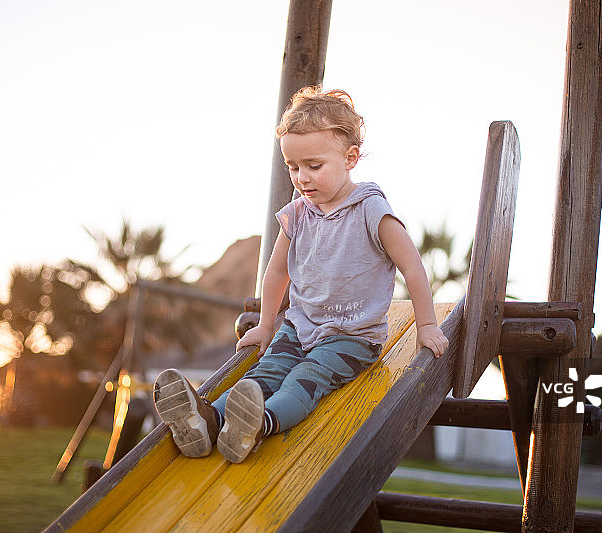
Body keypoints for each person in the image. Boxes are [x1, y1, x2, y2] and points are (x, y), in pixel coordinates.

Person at [153, 86, 449, 464]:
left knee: (304, 379)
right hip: (299, 326)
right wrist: (264, 324)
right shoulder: (297, 213)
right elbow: (277, 271)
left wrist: (426, 325)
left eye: (314, 166)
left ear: (350, 158)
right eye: (293, 167)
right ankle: (209, 421)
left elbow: (412, 265)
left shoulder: (371, 209)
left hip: (352, 337)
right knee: (265, 374)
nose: (302, 178)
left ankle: (258, 426)